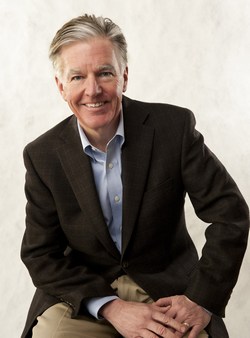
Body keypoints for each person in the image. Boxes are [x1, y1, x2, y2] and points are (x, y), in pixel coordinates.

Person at [21, 14, 249, 338]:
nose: (92, 90)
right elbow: (40, 254)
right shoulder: (43, 155)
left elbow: (230, 215)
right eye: (76, 77)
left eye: (105, 73)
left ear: (124, 76)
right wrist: (110, 306)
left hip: (167, 289)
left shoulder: (174, 129)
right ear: (60, 86)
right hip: (86, 297)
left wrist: (200, 299)